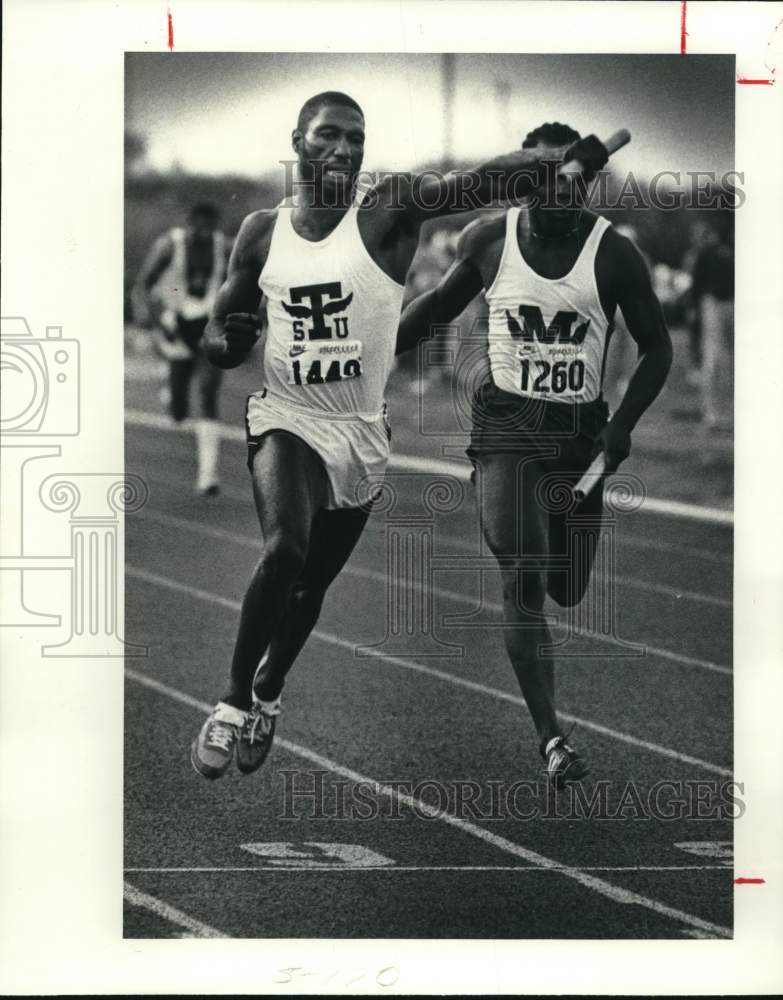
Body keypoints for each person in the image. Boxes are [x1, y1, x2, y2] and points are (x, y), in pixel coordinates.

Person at [189, 91, 611, 779]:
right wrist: (222, 340)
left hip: (357, 430)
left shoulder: (387, 208)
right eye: (329, 135)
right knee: (285, 549)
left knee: (308, 587)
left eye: (356, 137)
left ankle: (269, 691)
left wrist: (541, 162)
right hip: (285, 416)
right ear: (297, 140)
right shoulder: (262, 231)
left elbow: (472, 186)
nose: (344, 149)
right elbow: (217, 327)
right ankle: (232, 701)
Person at [396, 122, 673, 787]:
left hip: (580, 437)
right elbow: (434, 305)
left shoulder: (614, 255)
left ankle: (551, 581)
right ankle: (551, 739)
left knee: (565, 586)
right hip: (505, 429)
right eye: (541, 183)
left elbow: (657, 347)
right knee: (521, 574)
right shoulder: (490, 241)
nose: (557, 197)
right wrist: (363, 351)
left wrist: (622, 424)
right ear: (522, 186)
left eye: (569, 183)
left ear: (586, 186)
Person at [132, 202, 230, 495]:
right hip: (175, 320)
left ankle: (208, 476)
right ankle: (171, 391)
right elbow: (143, 285)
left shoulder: (224, 246)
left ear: (214, 227)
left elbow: (244, 275)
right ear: (188, 224)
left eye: (208, 227)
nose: (202, 233)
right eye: (197, 227)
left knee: (209, 391)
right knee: (178, 411)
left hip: (208, 323)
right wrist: (149, 319)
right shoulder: (168, 245)